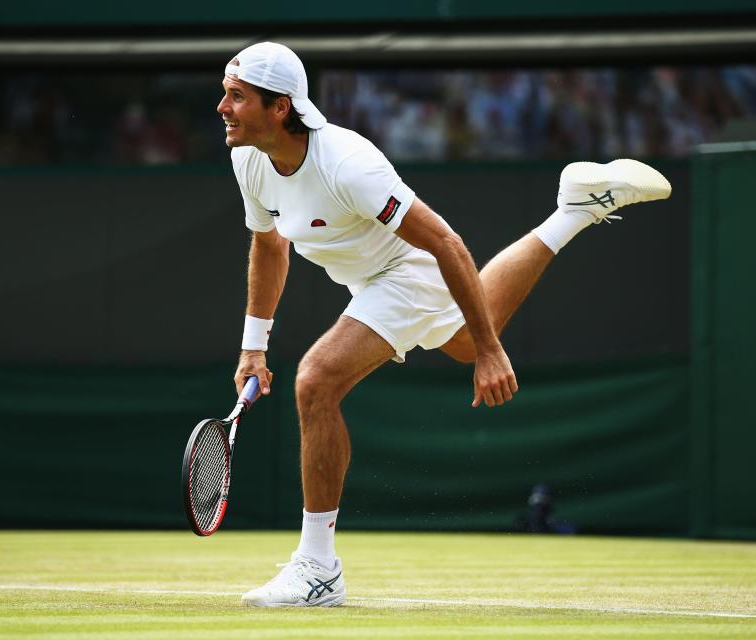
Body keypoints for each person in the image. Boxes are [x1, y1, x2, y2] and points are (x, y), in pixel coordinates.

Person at [218, 42, 670, 608]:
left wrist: (491, 351)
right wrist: (252, 348)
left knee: (316, 381)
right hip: (365, 277)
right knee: (457, 341)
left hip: (406, 270)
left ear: (280, 106)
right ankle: (573, 210)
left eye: (236, 96)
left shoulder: (348, 165)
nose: (223, 107)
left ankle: (318, 568)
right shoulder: (248, 157)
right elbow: (269, 244)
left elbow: (444, 243)